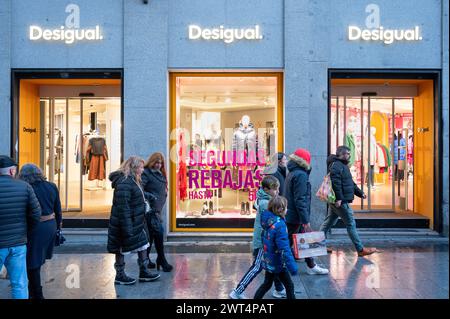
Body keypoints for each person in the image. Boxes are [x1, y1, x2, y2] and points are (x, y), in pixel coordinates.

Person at [229, 176, 286, 299]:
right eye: (275, 189)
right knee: (257, 267)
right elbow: (275, 219)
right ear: (266, 189)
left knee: (274, 265)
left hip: (267, 240)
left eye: (278, 189)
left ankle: (279, 289)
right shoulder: (266, 203)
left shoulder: (263, 199)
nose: (277, 191)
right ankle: (237, 291)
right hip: (263, 242)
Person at [107, 156, 160, 285]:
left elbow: (137, 194)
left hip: (137, 221)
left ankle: (144, 271)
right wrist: (127, 227)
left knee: (143, 244)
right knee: (121, 248)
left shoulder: (133, 180)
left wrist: (149, 197)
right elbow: (123, 207)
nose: (143, 170)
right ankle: (120, 275)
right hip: (125, 223)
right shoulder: (124, 182)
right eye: (141, 167)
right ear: (134, 168)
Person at [320, 146, 377, 257]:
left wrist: (360, 193)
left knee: (328, 222)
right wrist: (339, 199)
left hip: (338, 200)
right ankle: (360, 249)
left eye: (349, 153)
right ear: (341, 154)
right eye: (347, 153)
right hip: (340, 201)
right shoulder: (337, 165)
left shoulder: (342, 165)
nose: (349, 155)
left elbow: (350, 183)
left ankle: (319, 244)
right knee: (350, 222)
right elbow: (335, 183)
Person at [18, 164, 62, 299]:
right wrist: (58, 227)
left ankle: (36, 293)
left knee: (32, 262)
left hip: (35, 228)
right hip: (50, 226)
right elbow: (58, 210)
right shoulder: (51, 186)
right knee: (37, 258)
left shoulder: (25, 188)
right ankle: (33, 290)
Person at [0, 156, 41, 299]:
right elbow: (36, 214)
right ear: (12, 171)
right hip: (18, 243)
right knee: (20, 284)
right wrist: (25, 231)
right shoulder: (25, 187)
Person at [284, 148, 329, 275]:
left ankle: (311, 265)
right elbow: (300, 199)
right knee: (288, 242)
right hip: (295, 216)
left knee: (304, 239)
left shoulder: (292, 173)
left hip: (292, 214)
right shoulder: (300, 175)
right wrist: (305, 220)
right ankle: (276, 266)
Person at [254, 196, 297, 299]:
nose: (287, 209)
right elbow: (284, 248)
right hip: (278, 262)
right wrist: (292, 267)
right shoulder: (280, 225)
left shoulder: (268, 221)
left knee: (267, 284)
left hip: (269, 260)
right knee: (289, 285)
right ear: (281, 209)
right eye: (286, 207)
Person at [142, 152, 172, 272]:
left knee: (151, 236)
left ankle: (147, 259)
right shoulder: (146, 173)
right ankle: (161, 259)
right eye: (156, 162)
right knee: (159, 233)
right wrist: (151, 197)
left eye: (160, 163)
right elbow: (140, 190)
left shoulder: (161, 174)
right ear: (152, 161)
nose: (158, 165)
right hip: (150, 211)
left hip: (158, 210)